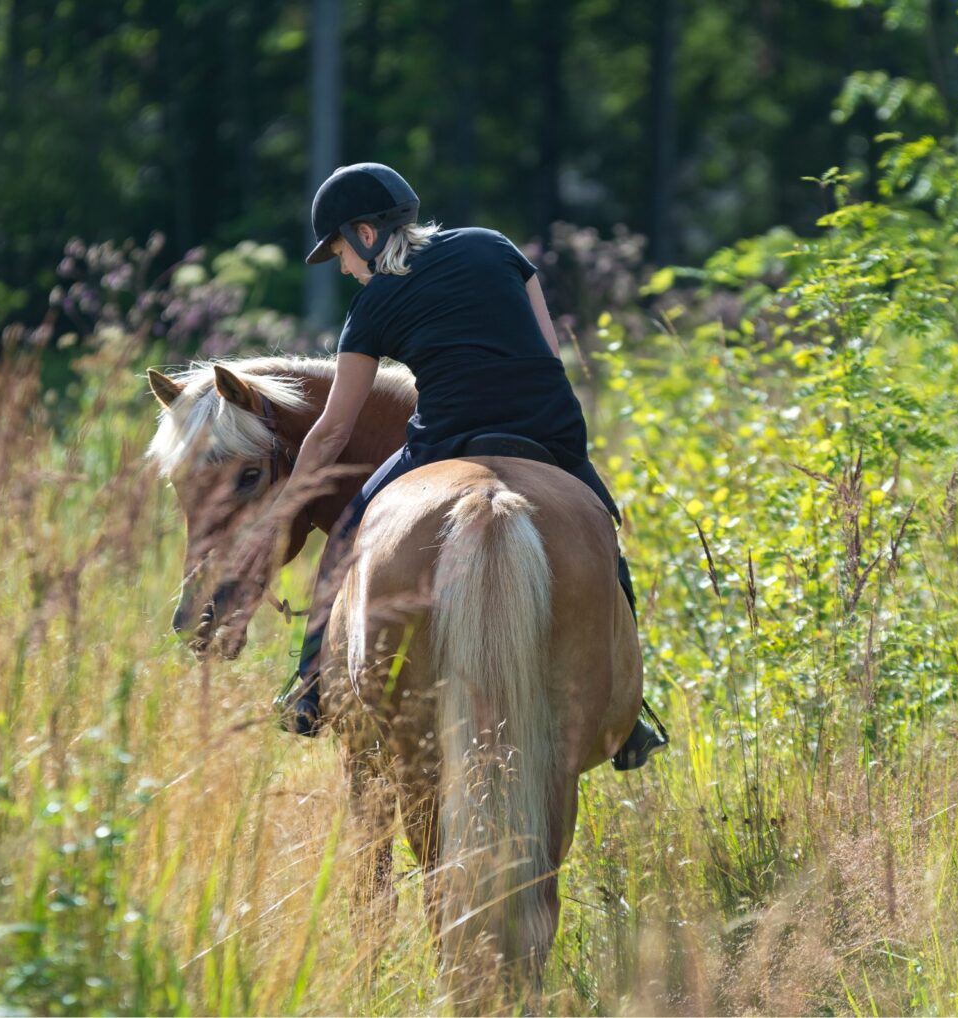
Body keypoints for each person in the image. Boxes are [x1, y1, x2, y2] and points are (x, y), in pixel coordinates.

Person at [268, 162, 667, 770]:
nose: (345, 266)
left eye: (341, 251)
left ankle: (309, 687)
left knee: (348, 529)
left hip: (448, 440)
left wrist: (286, 503)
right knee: (603, 536)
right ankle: (632, 713)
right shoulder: (494, 245)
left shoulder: (373, 303)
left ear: (366, 235)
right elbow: (548, 353)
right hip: (551, 430)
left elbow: (333, 432)